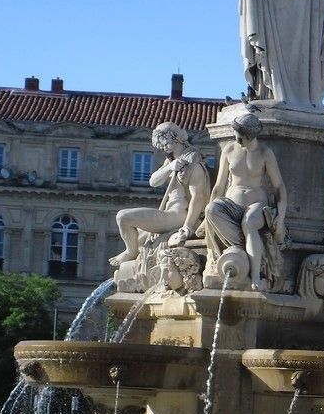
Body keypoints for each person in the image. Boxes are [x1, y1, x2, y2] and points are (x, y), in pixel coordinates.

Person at [204, 113, 287, 290]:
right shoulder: (229, 150)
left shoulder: (265, 153)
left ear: (251, 136)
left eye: (240, 137)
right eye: (235, 135)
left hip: (257, 206)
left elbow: (279, 186)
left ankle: (255, 275)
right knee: (211, 209)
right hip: (231, 205)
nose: (237, 139)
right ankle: (246, 250)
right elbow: (219, 186)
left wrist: (280, 218)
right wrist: (206, 218)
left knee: (249, 223)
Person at [109, 123, 209, 267]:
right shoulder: (170, 161)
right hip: (169, 211)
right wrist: (169, 167)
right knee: (137, 238)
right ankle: (132, 251)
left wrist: (187, 227)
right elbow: (153, 181)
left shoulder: (193, 163)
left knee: (123, 216)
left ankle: (130, 252)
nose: (164, 147)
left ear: (177, 139)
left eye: (167, 143)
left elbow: (198, 198)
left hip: (179, 215)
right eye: (161, 145)